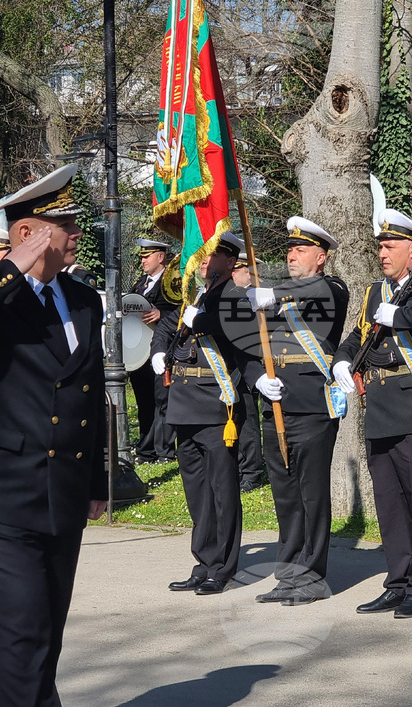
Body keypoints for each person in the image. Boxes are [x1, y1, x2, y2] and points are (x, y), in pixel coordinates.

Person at [0, 163, 108, 706]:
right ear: (28, 233)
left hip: (62, 491)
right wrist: (9, 267)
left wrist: (96, 480)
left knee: (48, 627)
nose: (78, 232)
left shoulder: (82, 298)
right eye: (65, 224)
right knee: (24, 628)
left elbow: (88, 393)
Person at [333, 209, 412, 619]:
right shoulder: (376, 292)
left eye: (390, 247)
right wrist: (341, 360)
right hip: (380, 408)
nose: (383, 254)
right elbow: (358, 336)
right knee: (389, 504)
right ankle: (398, 582)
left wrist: (401, 316)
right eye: (380, 247)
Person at [246, 216, 349, 606]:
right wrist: (257, 377)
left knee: (311, 495)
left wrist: (271, 293)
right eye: (289, 250)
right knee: (285, 496)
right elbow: (250, 345)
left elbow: (316, 291)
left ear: (320, 257)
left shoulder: (331, 288)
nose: (291, 256)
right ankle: (289, 573)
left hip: (311, 408)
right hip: (276, 405)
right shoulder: (278, 297)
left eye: (300, 250)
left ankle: (312, 576)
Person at [150, 232, 248, 595]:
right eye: (203, 252)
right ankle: (204, 561)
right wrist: (158, 350)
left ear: (231, 261)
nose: (204, 259)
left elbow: (238, 327)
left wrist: (202, 321)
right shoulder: (196, 295)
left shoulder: (236, 296)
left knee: (222, 491)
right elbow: (166, 324)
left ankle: (223, 567)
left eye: (213, 253)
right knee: (197, 492)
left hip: (215, 405)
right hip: (184, 405)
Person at [129, 239, 178, 464]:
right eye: (141, 256)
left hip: (162, 350)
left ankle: (164, 451)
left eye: (147, 256)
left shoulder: (174, 283)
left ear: (161, 256)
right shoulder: (140, 283)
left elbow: (185, 313)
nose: (143, 260)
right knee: (144, 402)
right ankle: (146, 449)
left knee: (162, 401)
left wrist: (162, 315)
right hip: (139, 353)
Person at [232, 252, 264, 492]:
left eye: (237, 269)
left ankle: (252, 472)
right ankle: (238, 467)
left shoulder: (255, 298)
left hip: (248, 367)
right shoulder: (226, 296)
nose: (232, 274)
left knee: (248, 421)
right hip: (228, 367)